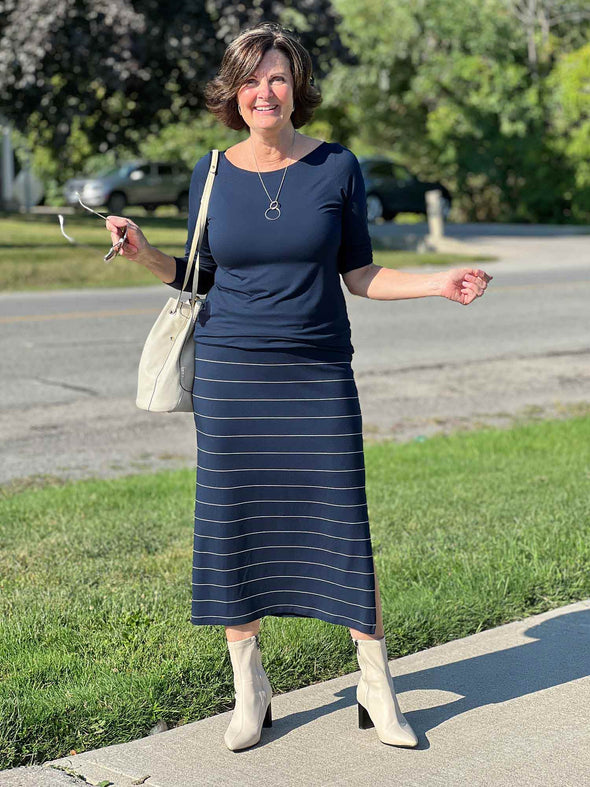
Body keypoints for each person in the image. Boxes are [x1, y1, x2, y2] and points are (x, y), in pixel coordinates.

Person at [106, 22, 492, 752]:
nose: (264, 92)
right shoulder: (211, 170)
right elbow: (199, 276)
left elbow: (361, 274)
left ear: (298, 86)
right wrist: (143, 250)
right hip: (231, 375)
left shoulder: (338, 167)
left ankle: (376, 684)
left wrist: (440, 281)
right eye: (251, 79)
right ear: (234, 91)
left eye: (278, 77)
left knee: (343, 522)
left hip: (316, 373)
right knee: (235, 522)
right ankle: (250, 687)